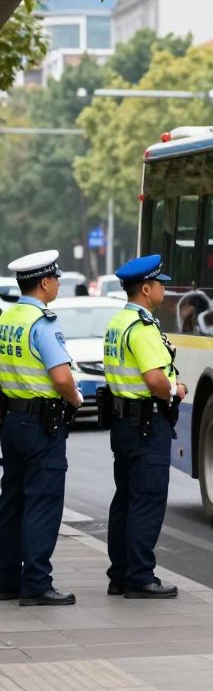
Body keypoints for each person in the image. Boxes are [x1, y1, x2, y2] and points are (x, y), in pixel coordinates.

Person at [102, 254, 187, 598]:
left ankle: (120, 574)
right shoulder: (142, 327)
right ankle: (140, 577)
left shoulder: (117, 323)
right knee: (147, 500)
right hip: (148, 424)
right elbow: (154, 379)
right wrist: (176, 389)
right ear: (146, 288)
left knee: (125, 499)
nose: (164, 288)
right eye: (160, 283)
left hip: (124, 424)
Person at [0, 250, 82, 606]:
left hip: (12, 420)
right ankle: (36, 583)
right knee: (43, 503)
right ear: (45, 282)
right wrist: (76, 400)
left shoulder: (8, 318)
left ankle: (7, 581)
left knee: (12, 501)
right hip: (41, 425)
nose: (59, 284)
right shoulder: (42, 322)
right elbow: (62, 377)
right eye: (57, 279)